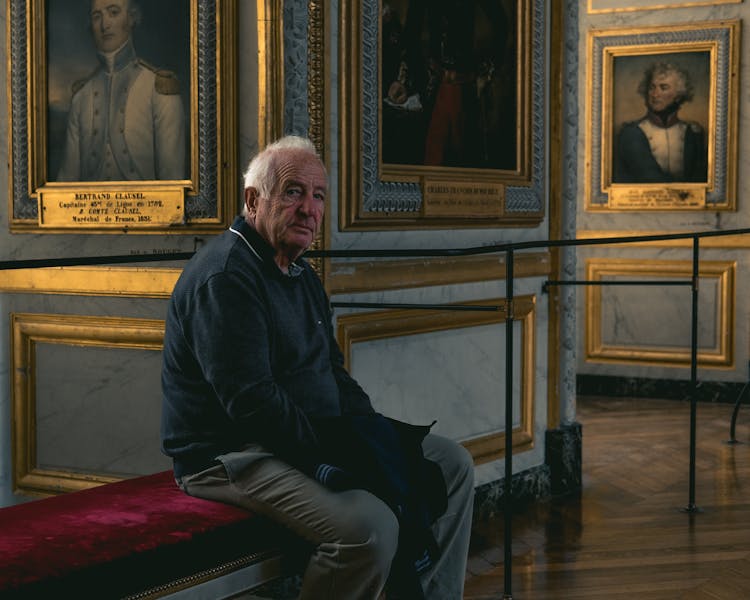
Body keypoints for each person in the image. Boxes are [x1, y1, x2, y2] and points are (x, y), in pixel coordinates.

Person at [160, 135, 475, 599]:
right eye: (293, 192)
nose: (310, 208)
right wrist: (336, 453)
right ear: (253, 199)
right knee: (369, 530)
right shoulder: (226, 276)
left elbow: (333, 371)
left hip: (307, 433)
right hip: (230, 455)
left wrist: (371, 433)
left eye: (319, 195)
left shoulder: (300, 271)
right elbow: (251, 404)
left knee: (452, 465)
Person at [56, 0, 186, 181]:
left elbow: (173, 184)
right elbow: (65, 185)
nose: (104, 25)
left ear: (132, 18)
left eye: (114, 12)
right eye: (97, 16)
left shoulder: (159, 90)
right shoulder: (81, 97)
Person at [613, 61, 707, 184]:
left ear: (678, 95)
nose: (655, 94)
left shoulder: (693, 133)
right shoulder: (631, 133)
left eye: (663, 88)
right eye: (652, 87)